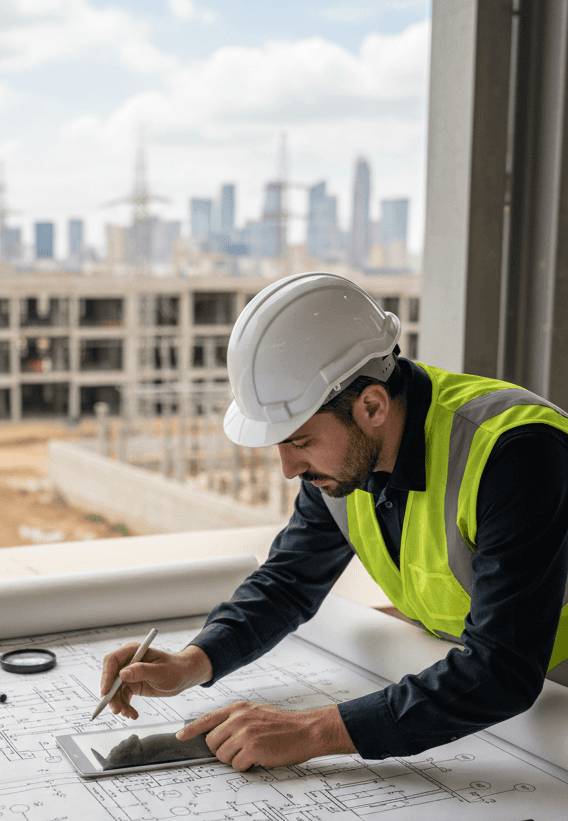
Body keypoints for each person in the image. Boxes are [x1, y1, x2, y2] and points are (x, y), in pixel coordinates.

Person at [99, 272, 568, 771]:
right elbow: (288, 582)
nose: (288, 469)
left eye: (299, 442)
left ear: (371, 405)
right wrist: (192, 663)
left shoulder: (516, 455)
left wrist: (310, 731)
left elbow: (503, 669)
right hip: (484, 696)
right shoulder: (344, 458)